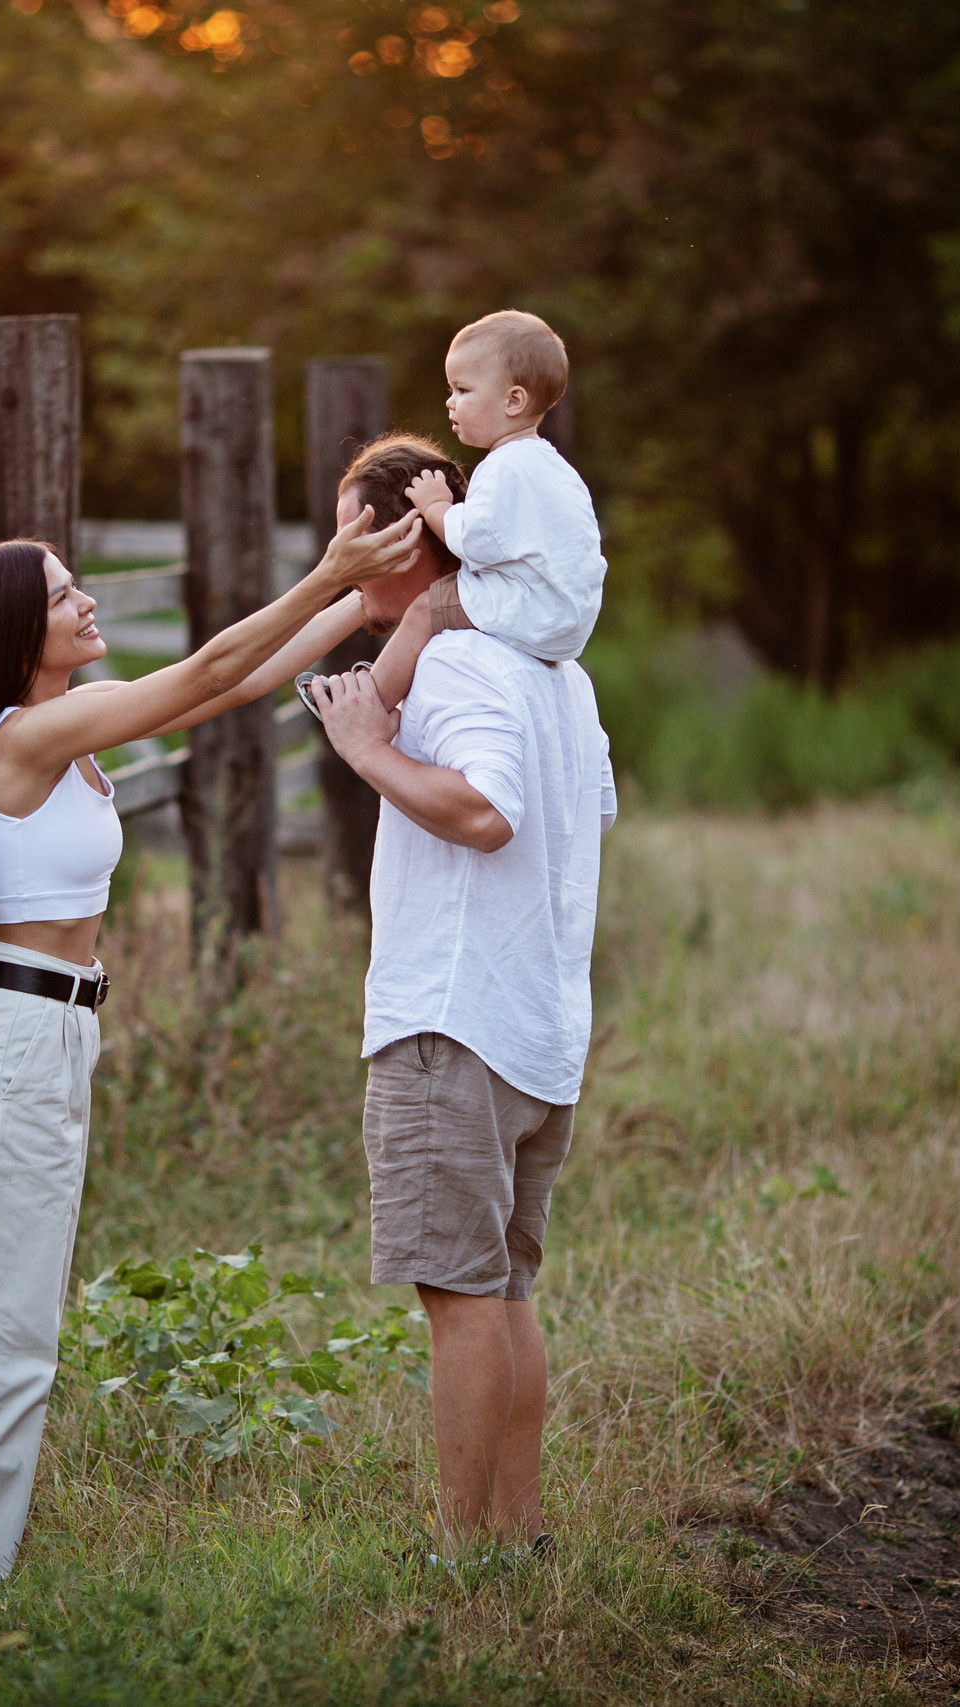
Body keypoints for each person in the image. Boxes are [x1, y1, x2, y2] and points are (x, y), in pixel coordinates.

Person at [0, 506, 423, 1588]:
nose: (88, 602)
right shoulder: (21, 738)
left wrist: (373, 595)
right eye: (66, 593)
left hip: (51, 1039)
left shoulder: (66, 727)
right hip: (17, 1045)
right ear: (18, 629)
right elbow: (209, 661)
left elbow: (231, 686)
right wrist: (325, 573)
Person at [307, 430, 617, 1560]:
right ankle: (517, 1536)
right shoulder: (559, 672)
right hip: (535, 1026)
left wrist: (365, 751)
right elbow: (584, 814)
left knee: (459, 1299)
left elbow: (486, 811)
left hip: (453, 1021)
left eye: (354, 527)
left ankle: (460, 1552)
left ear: (403, 532)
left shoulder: (460, 661)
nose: (341, 550)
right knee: (503, 1290)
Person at [360, 310, 607, 713]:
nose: (450, 401)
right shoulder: (553, 466)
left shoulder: (504, 465)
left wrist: (437, 505)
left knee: (427, 608)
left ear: (513, 401)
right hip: (566, 618)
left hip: (534, 610)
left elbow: (473, 541)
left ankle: (371, 704)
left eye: (462, 390)